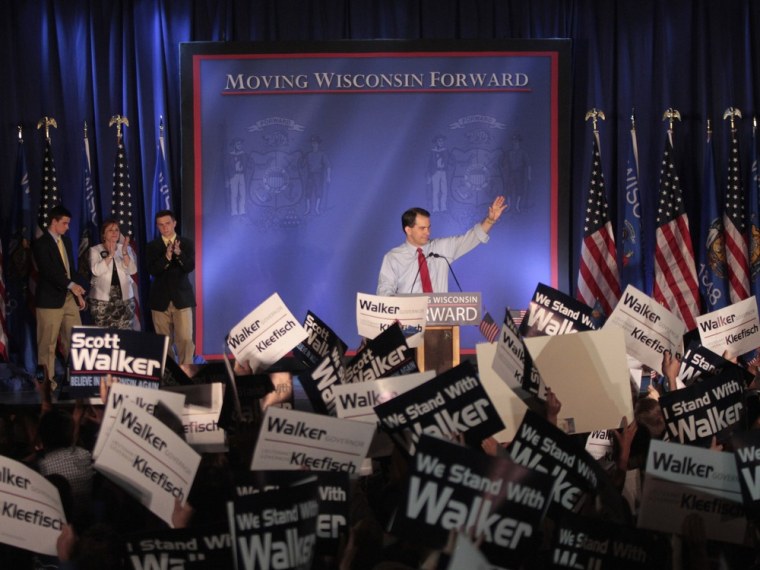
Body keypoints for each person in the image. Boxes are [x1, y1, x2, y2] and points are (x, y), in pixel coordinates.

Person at [376, 196, 507, 295]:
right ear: (408, 230)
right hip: (408, 326)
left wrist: (490, 220)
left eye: (429, 227)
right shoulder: (393, 257)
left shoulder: (442, 248)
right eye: (422, 228)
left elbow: (471, 238)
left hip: (440, 323)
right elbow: (384, 292)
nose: (428, 232)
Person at [32, 204, 86, 385]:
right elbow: (49, 271)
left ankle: (76, 380)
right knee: (47, 346)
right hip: (49, 301)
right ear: (54, 222)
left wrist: (77, 291)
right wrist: (71, 285)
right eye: (65, 223)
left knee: (76, 340)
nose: (68, 227)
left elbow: (69, 270)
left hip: (69, 298)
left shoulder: (67, 242)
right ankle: (46, 384)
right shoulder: (40, 243)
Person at [147, 209, 196, 364]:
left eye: (168, 223)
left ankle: (186, 374)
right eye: (161, 225)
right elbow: (152, 270)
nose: (165, 228)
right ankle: (169, 375)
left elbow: (189, 267)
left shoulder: (187, 243)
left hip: (182, 298)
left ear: (174, 223)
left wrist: (179, 253)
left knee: (186, 339)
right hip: (160, 300)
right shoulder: (152, 246)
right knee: (163, 343)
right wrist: (167, 257)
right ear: (157, 227)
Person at [88, 219, 138, 329]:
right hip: (102, 299)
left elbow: (132, 270)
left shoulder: (125, 248)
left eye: (116, 230)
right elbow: (96, 271)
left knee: (125, 335)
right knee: (104, 336)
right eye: (110, 230)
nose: (114, 232)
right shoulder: (95, 250)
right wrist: (110, 255)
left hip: (125, 298)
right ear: (103, 234)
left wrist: (124, 253)